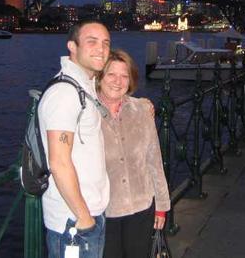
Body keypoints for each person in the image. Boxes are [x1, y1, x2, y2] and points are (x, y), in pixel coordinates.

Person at [39, 20, 111, 258]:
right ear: (72, 46)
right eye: (92, 42)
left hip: (86, 213)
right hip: (74, 222)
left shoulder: (84, 86)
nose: (101, 49)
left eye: (105, 43)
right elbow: (58, 162)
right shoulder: (64, 94)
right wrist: (84, 218)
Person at [97, 49, 171, 258]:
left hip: (142, 208)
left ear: (130, 81)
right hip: (104, 211)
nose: (117, 81)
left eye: (124, 76)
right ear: (100, 77)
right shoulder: (86, 114)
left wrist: (162, 206)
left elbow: (154, 161)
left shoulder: (141, 110)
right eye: (111, 74)